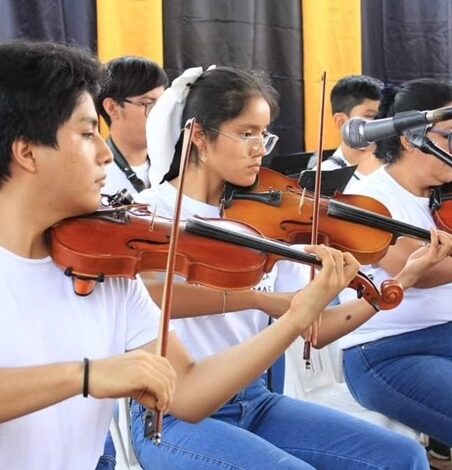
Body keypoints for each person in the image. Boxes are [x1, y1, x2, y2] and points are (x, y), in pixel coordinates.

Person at [0, 40, 371, 470]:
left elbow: (189, 393)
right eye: (86, 134)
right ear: (27, 152)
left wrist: (295, 316)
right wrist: (85, 375)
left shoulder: (108, 269)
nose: (104, 154)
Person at [131, 65, 452, 469]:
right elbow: (151, 294)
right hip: (172, 414)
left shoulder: (266, 219)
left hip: (252, 400)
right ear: (199, 135)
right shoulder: (152, 210)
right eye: (246, 133)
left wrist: (402, 280)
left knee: (401, 455)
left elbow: (316, 330)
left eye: (264, 134)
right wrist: (259, 299)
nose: (259, 148)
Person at [333, 78, 452, 469]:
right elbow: (418, 270)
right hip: (394, 353)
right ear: (410, 138)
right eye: (450, 136)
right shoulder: (368, 200)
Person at [97, 56, 168, 196]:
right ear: (112, 108)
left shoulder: (176, 168)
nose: (162, 114)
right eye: (149, 103)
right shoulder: (93, 176)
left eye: (163, 103)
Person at [309, 74, 383, 191]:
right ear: (342, 122)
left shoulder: (398, 168)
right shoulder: (322, 178)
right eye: (370, 116)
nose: (379, 124)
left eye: (383, 117)